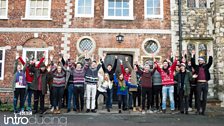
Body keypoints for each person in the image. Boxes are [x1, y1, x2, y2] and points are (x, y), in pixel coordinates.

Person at [191, 50, 213, 115]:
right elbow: (192, 63)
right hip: (198, 84)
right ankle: (198, 110)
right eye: (199, 60)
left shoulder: (206, 66)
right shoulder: (197, 67)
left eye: (201, 60)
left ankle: (203, 110)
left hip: (205, 84)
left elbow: (210, 62)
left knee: (204, 98)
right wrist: (192, 55)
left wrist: (209, 54)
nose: (200, 61)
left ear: (203, 61)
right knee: (198, 97)